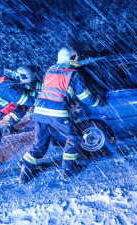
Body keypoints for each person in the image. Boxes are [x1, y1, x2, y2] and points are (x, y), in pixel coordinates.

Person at [19, 48, 101, 184]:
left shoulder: (49, 71)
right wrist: (98, 101)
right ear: (71, 58)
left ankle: (25, 172)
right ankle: (69, 170)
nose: (77, 60)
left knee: (40, 142)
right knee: (74, 138)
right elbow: (85, 96)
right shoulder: (73, 74)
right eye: (75, 58)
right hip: (57, 113)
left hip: (39, 111)